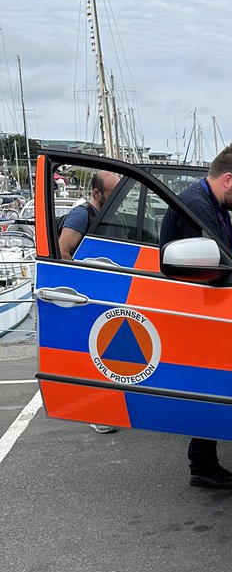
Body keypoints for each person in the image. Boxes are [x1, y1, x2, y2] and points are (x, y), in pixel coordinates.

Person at [159, 142, 232, 491]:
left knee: (208, 380)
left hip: (202, 304)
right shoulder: (197, 206)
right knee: (208, 380)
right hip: (195, 309)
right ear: (228, 179)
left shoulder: (209, 203)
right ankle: (202, 465)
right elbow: (213, 263)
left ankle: (203, 461)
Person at [58, 169, 121, 435]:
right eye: (112, 193)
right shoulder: (81, 215)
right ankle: (97, 413)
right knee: (96, 354)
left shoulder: (108, 213)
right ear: (97, 193)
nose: (117, 198)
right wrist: (84, 283)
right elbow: (63, 250)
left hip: (106, 292)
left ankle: (106, 407)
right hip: (88, 295)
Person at [58, 169, 119, 261]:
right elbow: (62, 252)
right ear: (96, 193)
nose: (117, 200)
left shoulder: (111, 214)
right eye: (113, 195)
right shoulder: (81, 215)